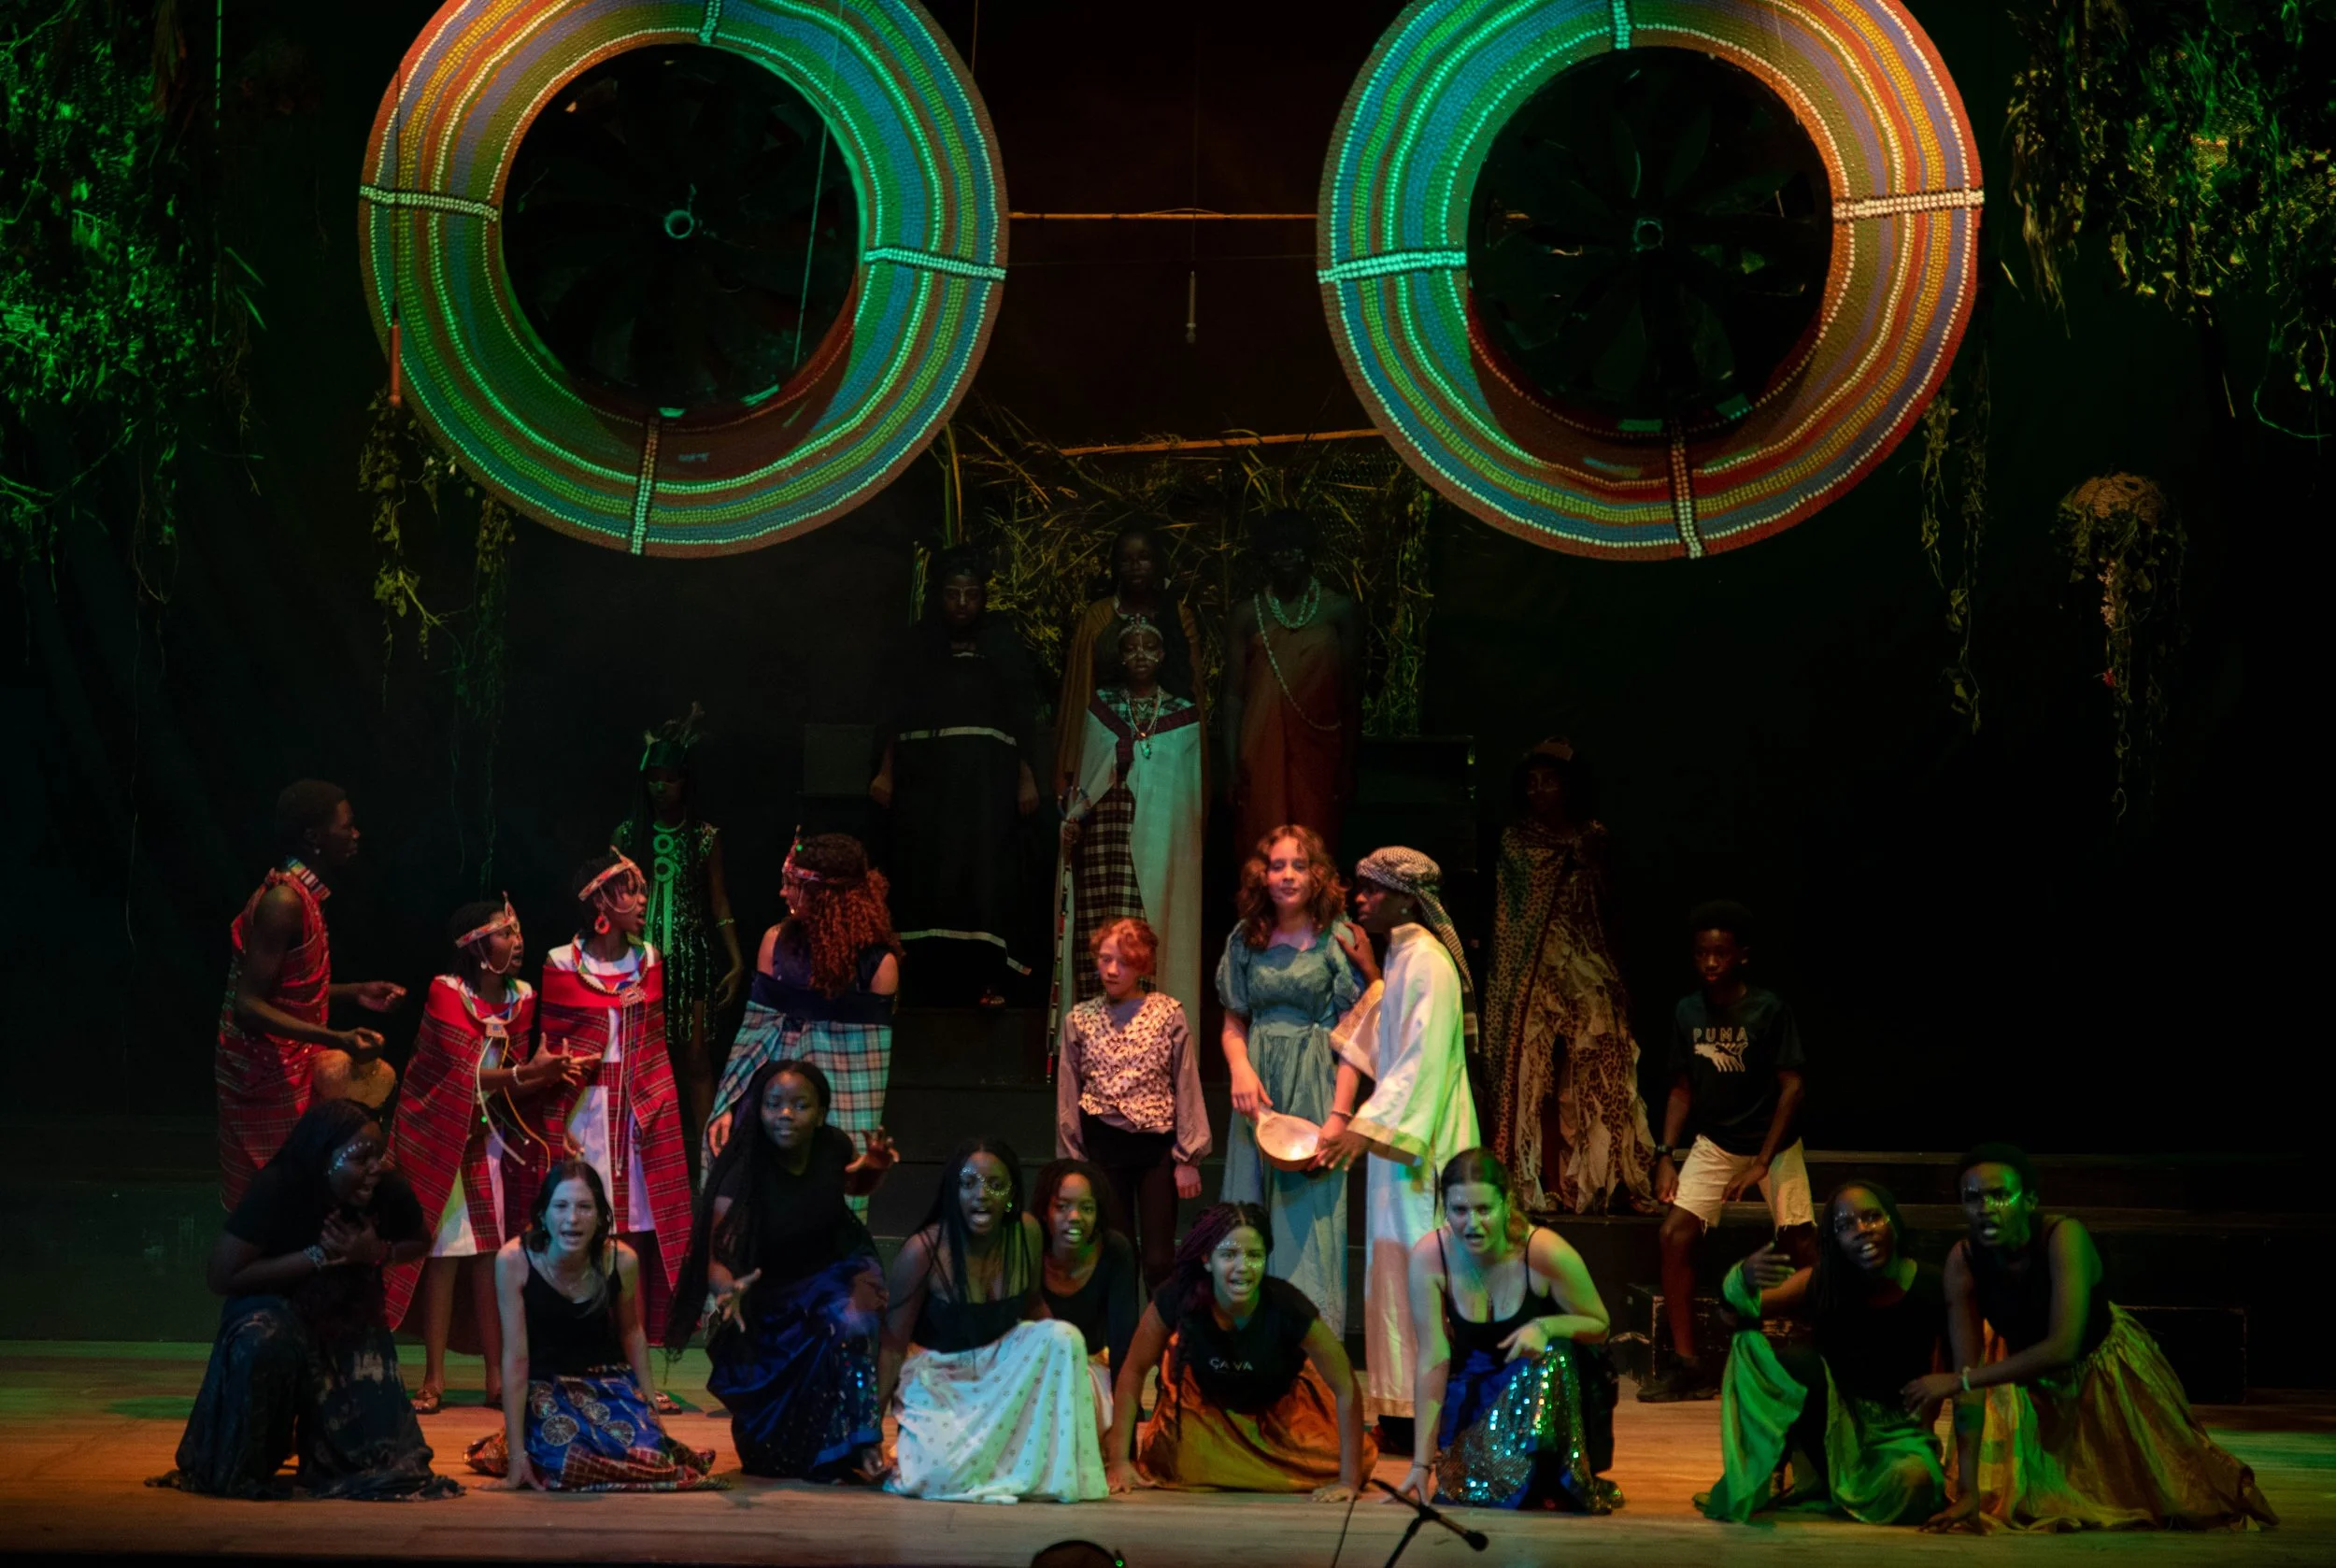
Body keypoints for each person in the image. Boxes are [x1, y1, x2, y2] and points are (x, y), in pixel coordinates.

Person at [1910, 1145, 2276, 1532]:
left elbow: (2063, 1347)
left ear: (2029, 1200)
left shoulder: (2063, 1237)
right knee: (2021, 1501)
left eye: (2000, 1195)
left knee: (2177, 1496)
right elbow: (1967, 1381)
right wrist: (1967, 1490)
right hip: (2022, 1374)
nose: (1986, 1207)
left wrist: (1963, 1380)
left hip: (2100, 1369)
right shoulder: (1964, 1260)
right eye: (1973, 1197)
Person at [151, 1101, 459, 1500]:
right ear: (325, 1158)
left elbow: (419, 1240)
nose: (374, 1167)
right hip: (274, 1305)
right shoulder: (280, 1186)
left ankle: (325, 1445)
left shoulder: (386, 1187)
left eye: (379, 1155)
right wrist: (317, 1256)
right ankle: (253, 1455)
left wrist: (376, 1253)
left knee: (385, 1465)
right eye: (360, 1158)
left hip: (348, 1311)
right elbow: (222, 1275)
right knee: (263, 1341)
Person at [387, 897, 583, 1415]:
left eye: (518, 932)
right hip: (435, 1134)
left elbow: (511, 1085)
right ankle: (433, 1377)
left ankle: (497, 1377)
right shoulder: (446, 991)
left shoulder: (523, 998)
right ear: (475, 946)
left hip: (488, 1135)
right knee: (443, 1253)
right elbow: (462, 1076)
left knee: (490, 1253)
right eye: (505, 933)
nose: (518, 942)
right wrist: (527, 1073)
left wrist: (544, 1076)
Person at [1315, 847, 1482, 1437]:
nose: (1360, 899)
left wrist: (1363, 1128)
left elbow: (1420, 1061)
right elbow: (1383, 1034)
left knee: (1418, 1272)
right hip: (1398, 1145)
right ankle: (1400, 1410)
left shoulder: (1429, 962)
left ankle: (1425, 1414)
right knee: (1391, 1273)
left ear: (1408, 900)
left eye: (1373, 889)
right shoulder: (1405, 957)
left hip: (1422, 1145)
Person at [669, 1059, 897, 1480]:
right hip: (770, 1289)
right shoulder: (742, 1172)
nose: (785, 1114)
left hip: (836, 1267)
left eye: (800, 1105)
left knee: (850, 1323)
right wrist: (728, 1289)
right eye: (773, 1104)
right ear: (759, 1110)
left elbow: (852, 1185)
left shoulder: (833, 1145)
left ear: (821, 1113)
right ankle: (823, 1448)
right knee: (767, 1457)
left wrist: (874, 1167)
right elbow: (715, 1259)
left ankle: (866, 1442)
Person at [1642, 900, 1816, 1402]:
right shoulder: (1688, 1011)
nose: (1710, 962)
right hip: (1717, 1143)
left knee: (1804, 1247)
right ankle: (1690, 1366)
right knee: (1673, 1235)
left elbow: (1793, 1087)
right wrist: (1665, 1154)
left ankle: (1823, 1352)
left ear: (1742, 956)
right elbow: (1681, 1089)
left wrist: (1762, 1162)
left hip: (1774, 1145)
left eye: (1720, 953)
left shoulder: (1767, 1009)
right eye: (1702, 953)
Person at [1700, 1181, 1947, 1524]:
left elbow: (1947, 1374)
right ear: (1834, 1239)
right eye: (1846, 1225)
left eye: (1872, 1217)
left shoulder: (1932, 1284)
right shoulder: (1820, 1280)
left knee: (1914, 1482)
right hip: (1835, 1432)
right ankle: (1774, 1471)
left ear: (1892, 1220)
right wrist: (1742, 1278)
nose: (1862, 1230)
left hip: (1899, 1436)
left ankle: (1845, 1489)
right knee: (1795, 1362)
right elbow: (1734, 1316)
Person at [879, 1138, 1108, 1503]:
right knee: (933, 1477)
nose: (982, 1195)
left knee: (1064, 1337)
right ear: (953, 1192)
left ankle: (1039, 1472)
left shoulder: (1027, 1233)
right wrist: (869, 1434)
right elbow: (892, 1346)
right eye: (969, 1183)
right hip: (941, 1378)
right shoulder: (923, 1251)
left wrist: (1071, 1371)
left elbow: (1033, 1305)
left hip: (1002, 1372)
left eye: (995, 1185)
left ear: (1012, 1195)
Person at [468, 1160, 719, 1490]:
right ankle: (525, 1445)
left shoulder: (621, 1260)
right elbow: (516, 1359)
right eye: (561, 1206)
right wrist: (516, 1460)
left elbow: (631, 1332)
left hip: (606, 1381)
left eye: (584, 1207)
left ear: (601, 1216)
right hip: (546, 1386)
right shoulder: (514, 1260)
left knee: (653, 1459)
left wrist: (650, 1412)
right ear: (543, 1215)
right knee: (563, 1460)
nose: (572, 1218)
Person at [1483, 739, 1658, 1214]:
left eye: (1550, 781)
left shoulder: (1593, 838)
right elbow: (1513, 917)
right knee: (1533, 1076)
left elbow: (1611, 909)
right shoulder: (1518, 842)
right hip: (1534, 971)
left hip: (1586, 964)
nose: (1539, 791)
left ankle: (1607, 1181)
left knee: (1602, 1067)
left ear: (1569, 786)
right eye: (1532, 782)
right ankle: (1542, 1182)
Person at [215, 779, 406, 1208]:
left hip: (289, 1064)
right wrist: (337, 1039)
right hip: (263, 1071)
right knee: (273, 1198)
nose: (355, 835)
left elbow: (285, 992)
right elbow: (248, 1005)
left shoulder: (304, 896)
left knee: (301, 1191)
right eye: (347, 826)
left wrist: (355, 992)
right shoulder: (283, 901)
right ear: (313, 837)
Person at [536, 851, 694, 1366]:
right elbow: (552, 1053)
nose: (643, 899)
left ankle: (635, 1361)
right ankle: (578, 1351)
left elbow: (654, 1049)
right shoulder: (561, 962)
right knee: (582, 1231)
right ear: (601, 901)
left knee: (639, 1235)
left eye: (642, 889)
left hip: (640, 1112)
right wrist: (557, 1122)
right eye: (631, 890)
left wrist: (655, 1110)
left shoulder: (648, 959)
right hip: (584, 1112)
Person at [1400, 1147, 1619, 1512]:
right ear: (1445, 1209)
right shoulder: (1431, 1255)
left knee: (1552, 1358)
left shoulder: (1543, 1250)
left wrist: (1546, 1326)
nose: (1472, 1224)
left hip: (1545, 1406)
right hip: (1476, 1395)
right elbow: (1433, 1359)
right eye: (1459, 1210)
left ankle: (1548, 1479)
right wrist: (1421, 1464)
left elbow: (1601, 1324)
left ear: (1507, 1204)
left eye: (1484, 1209)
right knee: (1462, 1487)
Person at [1104, 1202, 1372, 1498]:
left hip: (1278, 1413)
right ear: (1207, 1259)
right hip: (1207, 1409)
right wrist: (1119, 1462)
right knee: (1170, 1462)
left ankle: (1246, 1464)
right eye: (1229, 1255)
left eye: (1254, 1255)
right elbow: (1134, 1369)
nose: (1243, 1267)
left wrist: (1348, 1480)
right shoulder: (1178, 1296)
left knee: (1355, 1460)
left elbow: (1345, 1385)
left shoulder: (1288, 1307)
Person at [872, 546, 1042, 1005]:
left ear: (984, 597)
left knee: (983, 877)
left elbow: (1021, 718)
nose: (962, 603)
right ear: (938, 596)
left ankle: (988, 977)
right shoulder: (917, 646)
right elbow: (895, 716)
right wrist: (886, 772)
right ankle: (918, 983)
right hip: (927, 788)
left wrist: (1027, 777)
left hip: (986, 790)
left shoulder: (1002, 645)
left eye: (971, 594)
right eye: (952, 593)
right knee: (926, 875)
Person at [1217, 825, 1370, 1333]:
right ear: (1262, 875)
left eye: (1299, 866)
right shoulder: (1246, 937)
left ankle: (1308, 1347)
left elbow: (1354, 1037)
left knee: (1309, 1218)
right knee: (1247, 1209)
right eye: (1277, 865)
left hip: (1315, 1081)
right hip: (1257, 1090)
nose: (1287, 876)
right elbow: (1233, 1020)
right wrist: (1240, 1067)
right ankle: (1246, 1338)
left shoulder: (1337, 938)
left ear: (1317, 874)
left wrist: (1339, 1116)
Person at [706, 832, 903, 1218]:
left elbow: (863, 1071)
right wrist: (730, 1104)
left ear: (825, 894)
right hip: (772, 1099)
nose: (783, 893)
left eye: (793, 884)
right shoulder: (776, 943)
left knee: (823, 1201)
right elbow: (754, 1039)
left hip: (832, 1110)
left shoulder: (878, 966)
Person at [612, 705, 747, 1180]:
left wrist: (736, 960)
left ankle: (709, 1167)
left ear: (685, 782)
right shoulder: (628, 834)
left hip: (692, 959)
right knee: (641, 1061)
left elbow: (719, 901)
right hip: (639, 959)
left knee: (696, 1060)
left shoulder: (704, 837)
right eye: (654, 779)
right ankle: (637, 1164)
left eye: (669, 779)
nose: (660, 788)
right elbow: (612, 902)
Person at [1059, 617, 1205, 1025]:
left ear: (1163, 655)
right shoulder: (1102, 707)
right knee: (1105, 930)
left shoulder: (1183, 715)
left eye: (1149, 647)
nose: (1140, 655)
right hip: (1107, 838)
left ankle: (1148, 1030)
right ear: (1120, 657)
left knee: (1147, 928)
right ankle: (1098, 1031)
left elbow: (1183, 800)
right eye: (1131, 648)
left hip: (1160, 842)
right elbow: (1088, 779)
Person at [1054, 917, 1208, 1288]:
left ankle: (1162, 1324)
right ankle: (1123, 1327)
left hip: (1155, 1149)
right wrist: (1071, 1160)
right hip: (1104, 1147)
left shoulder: (1167, 1013)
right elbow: (1068, 1093)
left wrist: (1188, 1157)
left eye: (1123, 962)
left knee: (1158, 1260)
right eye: (1105, 959)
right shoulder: (1080, 1019)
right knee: (1118, 1255)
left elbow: (1186, 1083)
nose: (1111, 970)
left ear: (1142, 964)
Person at [1221, 510, 1361, 862]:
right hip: (1260, 749)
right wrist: (1231, 765)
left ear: (1310, 551)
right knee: (1262, 841)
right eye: (1277, 547)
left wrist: (1348, 764)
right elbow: (1233, 696)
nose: (1286, 555)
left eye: (1295, 546)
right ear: (1265, 555)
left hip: (1319, 751)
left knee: (1315, 845)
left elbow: (1350, 694)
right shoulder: (1247, 614)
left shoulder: (1338, 610)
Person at [1051, 520, 1209, 797]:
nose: (1135, 566)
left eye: (1144, 558)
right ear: (1115, 566)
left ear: (1157, 562)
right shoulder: (1098, 617)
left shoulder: (1178, 616)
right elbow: (1080, 691)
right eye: (1126, 560)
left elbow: (1191, 686)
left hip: (1166, 740)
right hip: (1107, 738)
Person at [1032, 1158, 1145, 1428]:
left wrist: (1126, 1424)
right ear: (1045, 1212)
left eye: (1086, 1208)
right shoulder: (1030, 1245)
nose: (1074, 1217)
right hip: (1032, 1372)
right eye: (1062, 1207)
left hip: (1087, 1370)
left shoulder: (1114, 1251)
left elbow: (1123, 1343)